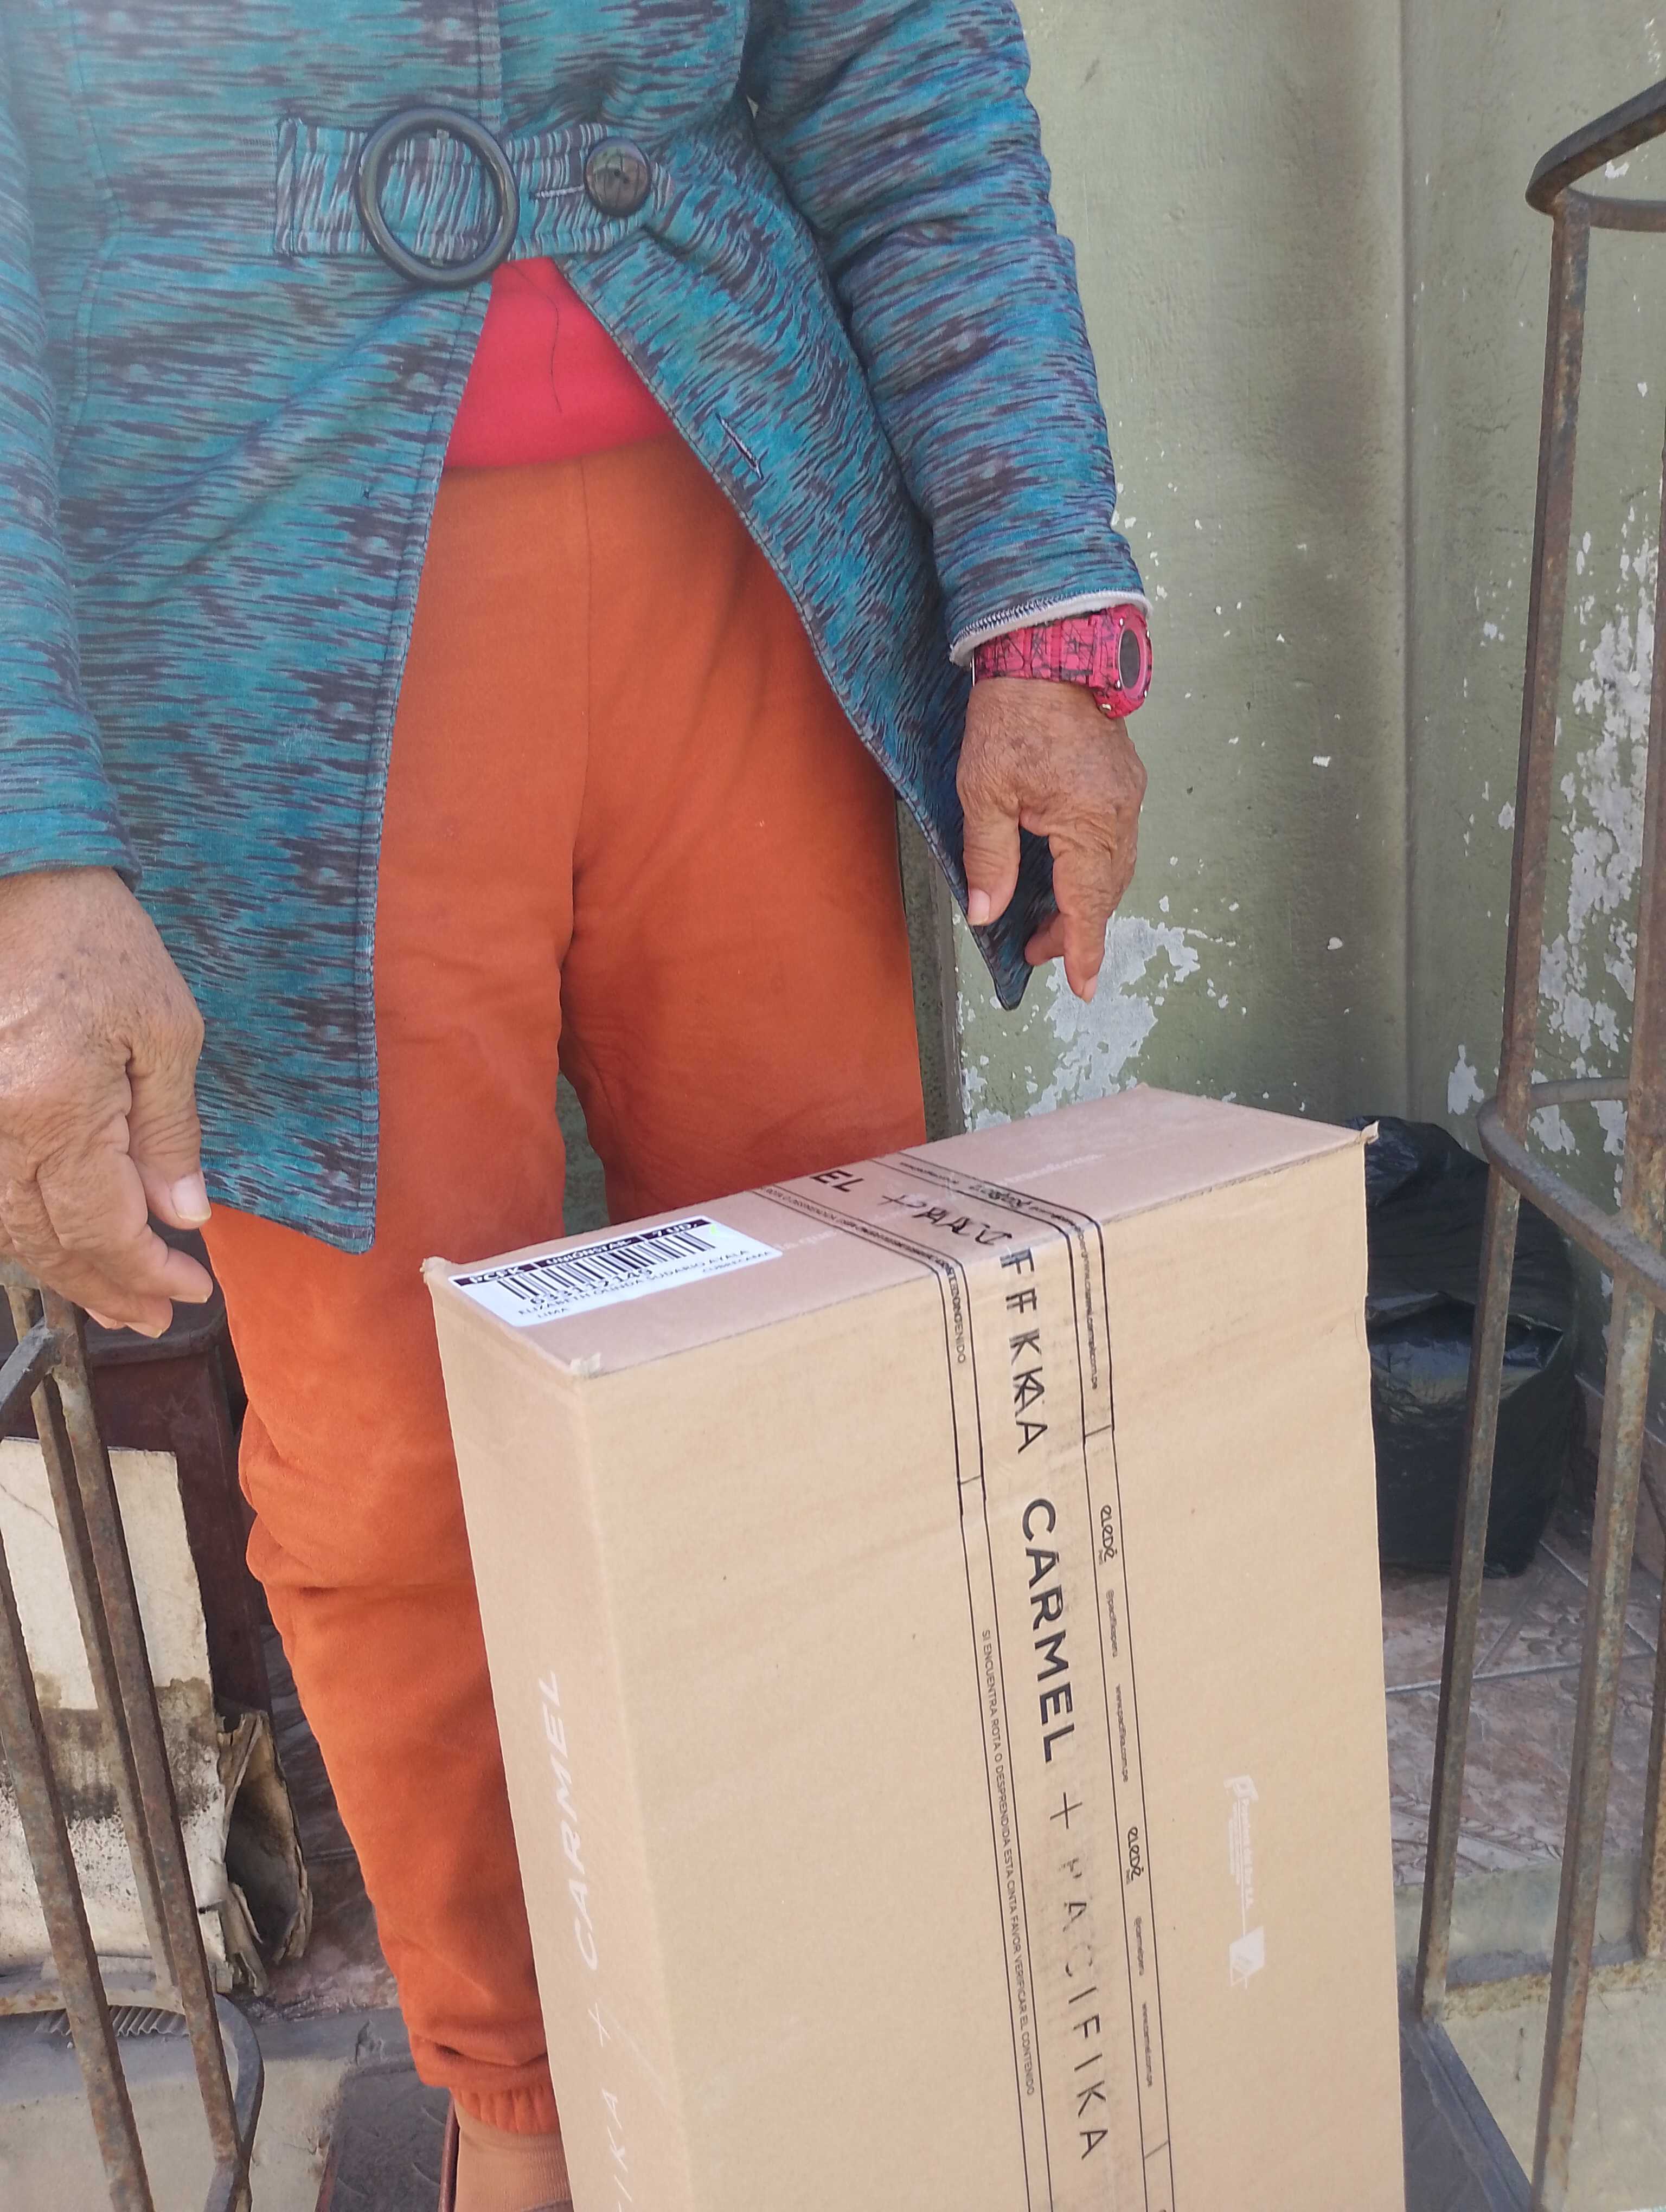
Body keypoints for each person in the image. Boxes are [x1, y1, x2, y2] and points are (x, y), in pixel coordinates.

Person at [0, 5, 1150, 2207]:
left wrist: (1036, 591)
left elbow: (895, 60)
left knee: (822, 1393)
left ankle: (820, 2047)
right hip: (234, 620)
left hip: (740, 542)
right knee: (394, 1468)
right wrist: (24, 832)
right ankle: (521, 2101)